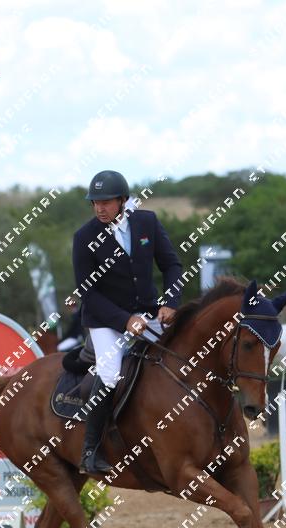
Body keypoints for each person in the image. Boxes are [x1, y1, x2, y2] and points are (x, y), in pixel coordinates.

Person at [72, 169, 183, 474]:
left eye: (105, 202)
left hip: (148, 313)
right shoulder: (84, 238)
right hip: (106, 321)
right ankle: (90, 451)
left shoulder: (147, 222)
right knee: (110, 375)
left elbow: (172, 265)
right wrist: (124, 320)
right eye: (95, 203)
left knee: (182, 355)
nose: (99, 208)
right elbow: (87, 293)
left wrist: (171, 302)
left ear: (122, 200)